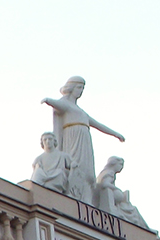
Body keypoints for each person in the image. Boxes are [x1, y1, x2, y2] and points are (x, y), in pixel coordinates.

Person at [42, 77, 125, 205]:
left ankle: (87, 199)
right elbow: (57, 104)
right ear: (71, 88)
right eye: (79, 88)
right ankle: (75, 196)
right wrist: (47, 100)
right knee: (76, 168)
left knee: (88, 173)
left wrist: (115, 134)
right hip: (73, 138)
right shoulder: (66, 105)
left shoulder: (80, 111)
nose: (81, 91)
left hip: (84, 141)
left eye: (82, 88)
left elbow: (97, 124)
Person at [95, 156, 149, 229]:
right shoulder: (110, 173)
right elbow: (105, 184)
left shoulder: (106, 172)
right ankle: (144, 227)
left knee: (131, 208)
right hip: (116, 204)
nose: (121, 167)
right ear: (114, 163)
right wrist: (117, 189)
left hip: (117, 203)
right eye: (120, 164)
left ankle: (144, 227)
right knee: (133, 210)